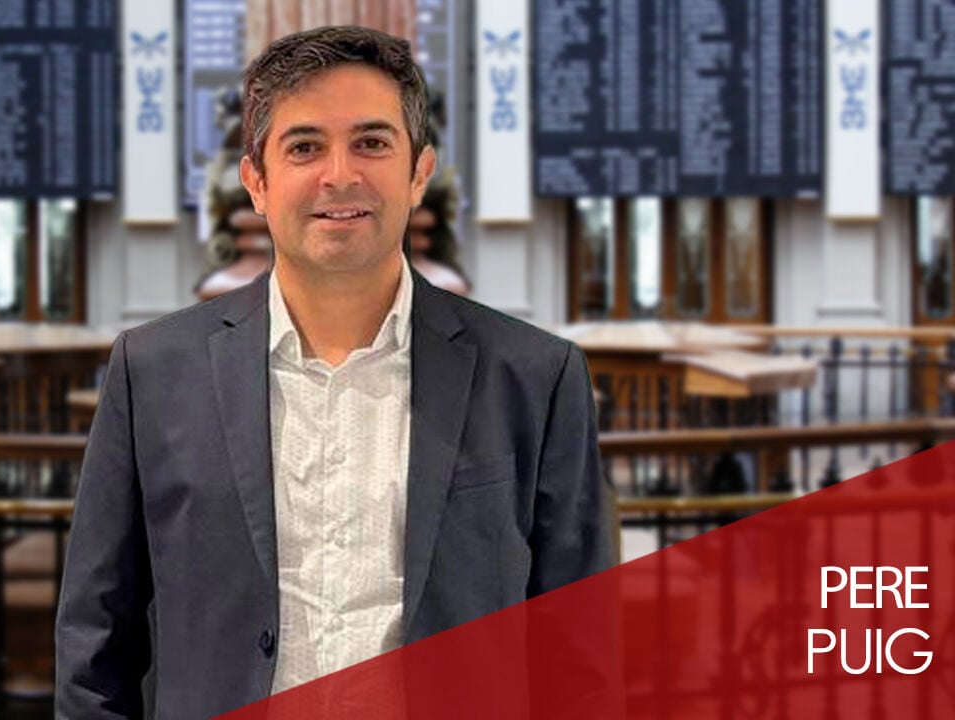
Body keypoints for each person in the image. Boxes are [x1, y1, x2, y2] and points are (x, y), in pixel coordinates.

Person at [56, 25, 615, 718]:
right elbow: (95, 645)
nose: (340, 175)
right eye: (305, 146)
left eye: (372, 143)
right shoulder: (152, 373)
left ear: (419, 173)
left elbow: (579, 656)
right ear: (256, 182)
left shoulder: (534, 378)